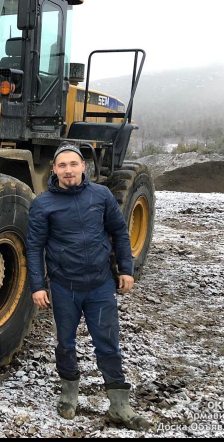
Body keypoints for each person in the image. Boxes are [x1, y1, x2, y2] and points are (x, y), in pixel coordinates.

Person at [26, 142, 150, 431]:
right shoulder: (43, 204)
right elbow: (34, 247)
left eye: (73, 164)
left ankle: (119, 404)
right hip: (63, 287)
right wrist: (37, 285)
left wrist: (126, 269)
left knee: (108, 344)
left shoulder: (102, 195)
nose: (68, 170)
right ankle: (69, 393)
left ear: (83, 166)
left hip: (100, 285)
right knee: (64, 343)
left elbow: (119, 232)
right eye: (62, 165)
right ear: (54, 170)